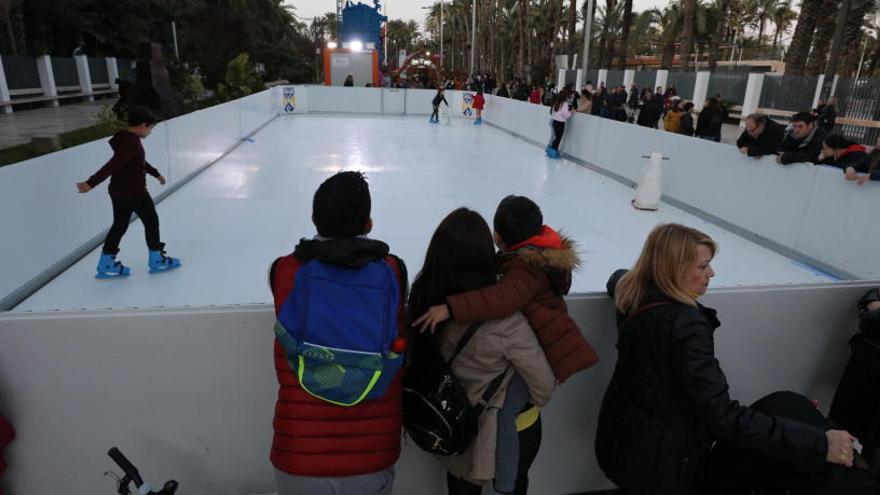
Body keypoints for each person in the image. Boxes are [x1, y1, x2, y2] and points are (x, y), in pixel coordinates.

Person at [596, 223, 861, 495]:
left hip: (617, 441)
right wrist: (818, 444)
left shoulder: (632, 291)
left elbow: (617, 277)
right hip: (663, 464)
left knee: (784, 406)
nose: (711, 273)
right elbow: (722, 418)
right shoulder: (686, 327)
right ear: (672, 268)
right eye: (702, 266)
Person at [412, 196, 599, 495]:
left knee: (460, 486)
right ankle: (506, 486)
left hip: (450, 425)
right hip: (510, 427)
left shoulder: (423, 299)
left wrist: (448, 309)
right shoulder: (508, 320)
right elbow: (543, 386)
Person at [268, 171, 408, 495]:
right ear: (368, 224)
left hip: (299, 446)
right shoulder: (392, 271)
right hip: (372, 448)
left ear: (314, 219)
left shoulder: (284, 270)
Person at [76, 106, 180, 278]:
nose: (150, 132)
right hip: (134, 192)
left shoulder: (124, 139)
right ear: (142, 125)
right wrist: (91, 183)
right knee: (151, 221)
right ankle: (156, 260)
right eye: (150, 128)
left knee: (120, 225)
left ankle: (106, 263)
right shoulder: (132, 143)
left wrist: (156, 174)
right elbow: (114, 164)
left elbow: (139, 163)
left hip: (118, 191)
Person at [547, 93, 572, 158]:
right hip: (560, 123)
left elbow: (553, 112)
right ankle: (553, 152)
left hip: (555, 122)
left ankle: (550, 151)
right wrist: (570, 113)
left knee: (556, 137)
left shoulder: (556, 103)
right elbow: (565, 115)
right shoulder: (564, 104)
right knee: (558, 138)